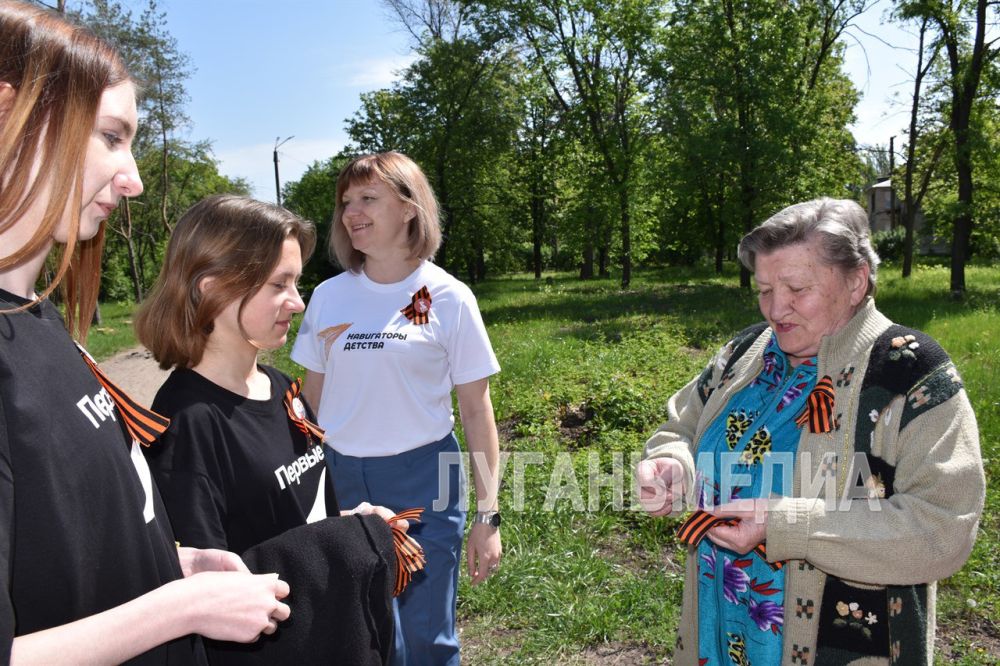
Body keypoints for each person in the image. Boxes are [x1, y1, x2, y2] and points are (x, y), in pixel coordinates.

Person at [0, 3, 289, 664]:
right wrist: (180, 609)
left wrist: (171, 562)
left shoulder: (38, 322)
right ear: (11, 113)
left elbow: (65, 545)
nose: (131, 180)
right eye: (110, 135)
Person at [636, 198, 985, 666]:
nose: (776, 308)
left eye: (797, 288)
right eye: (763, 289)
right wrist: (671, 462)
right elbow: (682, 423)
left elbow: (945, 528)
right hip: (720, 631)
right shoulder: (746, 350)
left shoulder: (908, 373)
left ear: (856, 280)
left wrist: (786, 526)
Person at [291, 151, 503, 665]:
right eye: (346, 201)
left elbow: (476, 411)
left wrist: (487, 515)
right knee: (359, 632)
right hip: (341, 481)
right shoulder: (327, 296)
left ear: (409, 208)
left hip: (427, 479)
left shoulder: (449, 297)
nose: (351, 212)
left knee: (427, 637)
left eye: (368, 198)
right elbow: (310, 404)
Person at [135, 194, 402, 553]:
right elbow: (212, 583)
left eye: (296, 284)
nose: (298, 302)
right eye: (279, 285)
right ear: (213, 288)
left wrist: (352, 524)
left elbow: (296, 517)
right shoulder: (186, 424)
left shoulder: (281, 389)